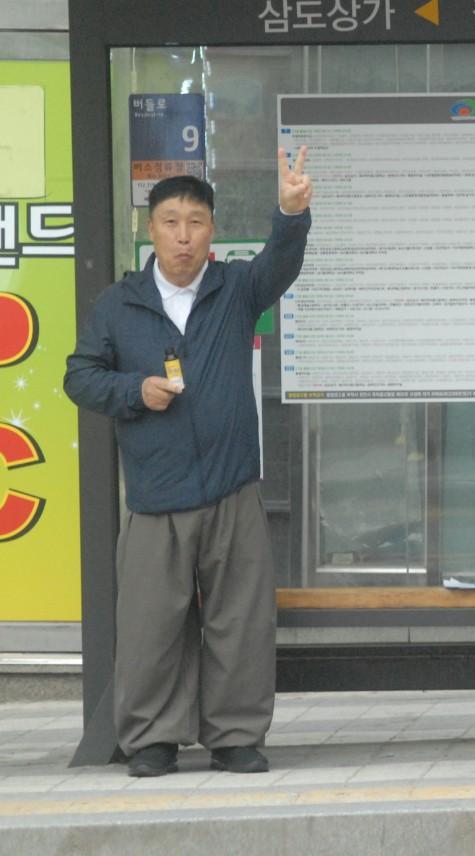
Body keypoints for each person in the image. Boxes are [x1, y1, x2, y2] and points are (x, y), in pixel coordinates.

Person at [64, 150, 313, 777]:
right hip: (156, 492)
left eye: (196, 222)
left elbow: (280, 264)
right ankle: (151, 739)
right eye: (171, 221)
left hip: (232, 486)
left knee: (240, 623)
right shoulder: (120, 305)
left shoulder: (235, 288)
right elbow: (79, 376)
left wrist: (290, 214)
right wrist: (133, 392)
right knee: (151, 628)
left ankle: (235, 737)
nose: (183, 236)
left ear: (211, 231)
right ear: (151, 229)